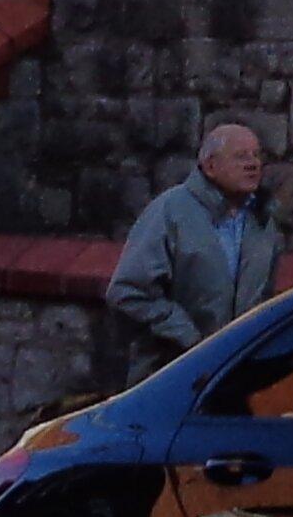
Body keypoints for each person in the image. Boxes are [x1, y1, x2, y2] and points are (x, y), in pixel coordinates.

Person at [110, 120, 282, 358]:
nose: (253, 164)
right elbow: (128, 292)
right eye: (241, 156)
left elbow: (265, 297)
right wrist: (191, 341)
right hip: (174, 370)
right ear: (210, 166)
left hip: (237, 371)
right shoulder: (170, 212)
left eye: (256, 155)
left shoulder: (262, 221)